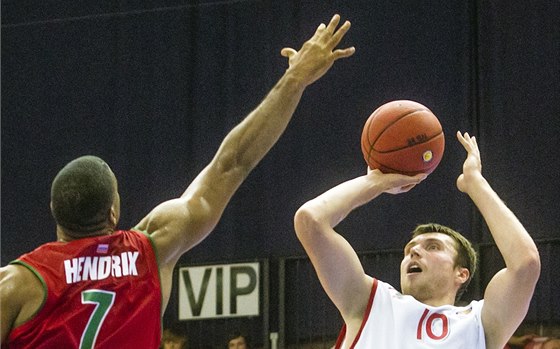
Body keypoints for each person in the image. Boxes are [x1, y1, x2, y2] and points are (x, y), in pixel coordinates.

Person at [0, 14, 355, 348]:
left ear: (54, 212)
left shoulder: (16, 284)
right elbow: (232, 163)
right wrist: (295, 79)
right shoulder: (151, 248)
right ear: (112, 211)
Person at [294, 131, 541, 348]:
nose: (414, 252)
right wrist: (375, 182)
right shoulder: (369, 302)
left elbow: (525, 264)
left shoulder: (481, 323)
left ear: (461, 274)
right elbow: (310, 221)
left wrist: (475, 183)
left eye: (433, 247)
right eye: (409, 249)